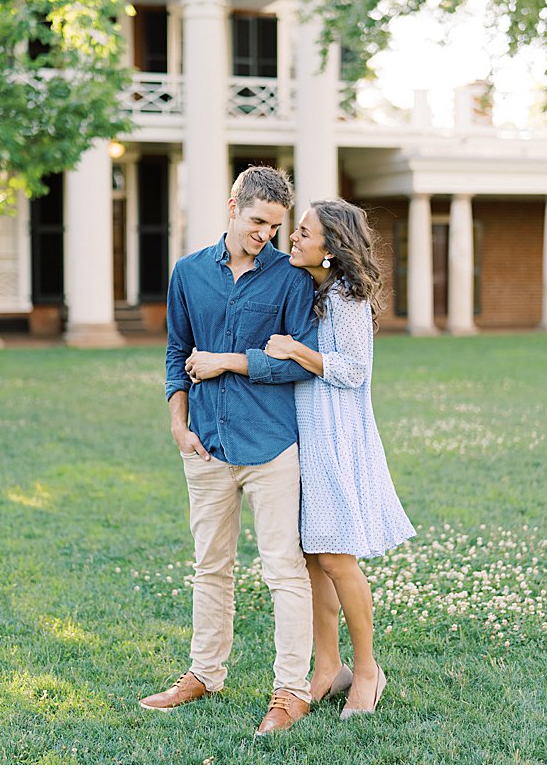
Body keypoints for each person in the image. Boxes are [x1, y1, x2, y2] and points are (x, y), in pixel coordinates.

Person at [138, 166, 320, 736]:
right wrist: (177, 423)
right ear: (232, 206)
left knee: (284, 571)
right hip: (207, 447)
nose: (267, 234)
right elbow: (176, 351)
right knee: (210, 568)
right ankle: (203, 674)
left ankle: (291, 692)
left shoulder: (292, 279)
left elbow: (296, 360)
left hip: (271, 446)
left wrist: (228, 360)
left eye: (276, 225)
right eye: (258, 221)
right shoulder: (189, 273)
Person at [262, 198, 414, 717]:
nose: (294, 239)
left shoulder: (347, 297)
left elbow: (354, 371)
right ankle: (328, 668)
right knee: (311, 556)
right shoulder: (312, 289)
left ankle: (368, 671)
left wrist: (294, 349)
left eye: (304, 233)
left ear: (332, 247)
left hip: (338, 436)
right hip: (306, 433)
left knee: (336, 555)